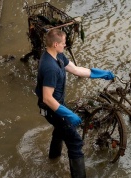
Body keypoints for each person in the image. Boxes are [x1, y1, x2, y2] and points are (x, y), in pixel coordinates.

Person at [35, 28, 114, 178]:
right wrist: (68, 114)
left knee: (60, 131)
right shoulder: (50, 67)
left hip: (57, 106)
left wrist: (101, 73)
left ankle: (53, 159)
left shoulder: (57, 56)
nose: (66, 46)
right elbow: (47, 98)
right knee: (75, 143)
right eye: (64, 43)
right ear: (56, 44)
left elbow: (76, 70)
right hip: (52, 109)